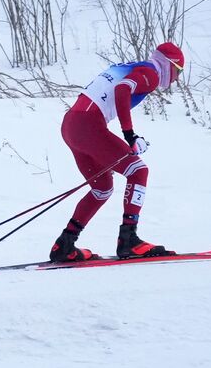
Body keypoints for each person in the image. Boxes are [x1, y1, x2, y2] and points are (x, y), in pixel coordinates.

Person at [50, 43, 185, 262]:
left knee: (102, 188)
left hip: (71, 125)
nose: (176, 78)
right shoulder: (151, 72)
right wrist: (130, 135)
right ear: (169, 65)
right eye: (178, 71)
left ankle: (64, 244)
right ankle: (129, 240)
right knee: (138, 171)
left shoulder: (136, 67)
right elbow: (122, 89)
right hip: (87, 125)